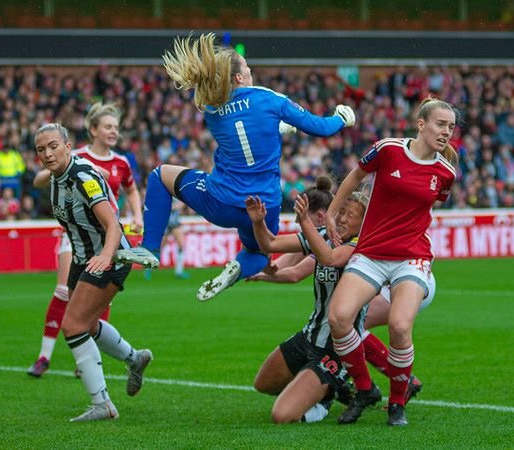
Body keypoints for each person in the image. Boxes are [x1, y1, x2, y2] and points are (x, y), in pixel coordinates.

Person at [116, 32, 356, 301]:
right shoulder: (269, 99)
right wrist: (341, 118)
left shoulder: (210, 107)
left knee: (160, 176)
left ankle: (150, 248)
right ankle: (239, 268)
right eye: (246, 66)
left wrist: (278, 128)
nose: (251, 69)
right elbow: (319, 128)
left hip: (221, 201)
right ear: (239, 77)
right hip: (263, 206)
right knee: (259, 253)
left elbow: (244, 126)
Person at [326, 98, 458, 426]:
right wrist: (330, 213)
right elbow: (355, 176)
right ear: (421, 123)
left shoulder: (445, 172)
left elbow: (428, 209)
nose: (446, 132)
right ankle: (366, 390)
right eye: (441, 124)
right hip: (371, 253)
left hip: (412, 258)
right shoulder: (388, 149)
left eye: (451, 127)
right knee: (339, 317)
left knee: (400, 326)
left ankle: (397, 403)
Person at [33, 123, 151, 422]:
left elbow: (112, 224)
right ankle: (134, 359)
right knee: (87, 324)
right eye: (41, 149)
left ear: (68, 146)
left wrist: (107, 256)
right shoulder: (57, 176)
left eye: (53, 146)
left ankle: (103, 405)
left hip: (108, 256)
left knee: (73, 326)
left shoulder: (82, 176)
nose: (47, 153)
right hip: (83, 259)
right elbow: (38, 181)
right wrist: (48, 169)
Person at [245, 177, 366, 423]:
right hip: (310, 335)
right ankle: (315, 387)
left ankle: (326, 394)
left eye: (350, 215)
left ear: (365, 222)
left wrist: (304, 223)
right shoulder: (325, 235)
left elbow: (330, 258)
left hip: (335, 349)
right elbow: (271, 243)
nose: (341, 219)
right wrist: (258, 222)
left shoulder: (361, 246)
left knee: (282, 415)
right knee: (263, 383)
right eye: (340, 211)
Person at [144, 197, 190, 280]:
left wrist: (174, 206)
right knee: (159, 248)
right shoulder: (164, 193)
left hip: (175, 222)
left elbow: (181, 204)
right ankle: (149, 268)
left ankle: (179, 272)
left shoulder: (177, 193)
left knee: (181, 245)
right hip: (165, 223)